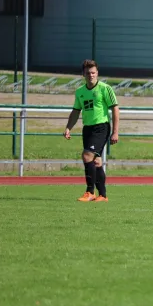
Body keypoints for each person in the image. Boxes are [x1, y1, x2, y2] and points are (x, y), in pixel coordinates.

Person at [64, 60, 119, 202]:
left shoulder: (105, 88)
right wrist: (68, 127)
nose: (91, 75)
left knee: (87, 155)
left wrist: (115, 132)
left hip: (101, 127)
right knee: (96, 162)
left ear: (97, 73)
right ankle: (103, 195)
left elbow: (115, 108)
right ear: (83, 74)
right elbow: (76, 111)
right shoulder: (80, 92)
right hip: (87, 128)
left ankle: (90, 192)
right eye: (88, 73)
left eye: (93, 72)